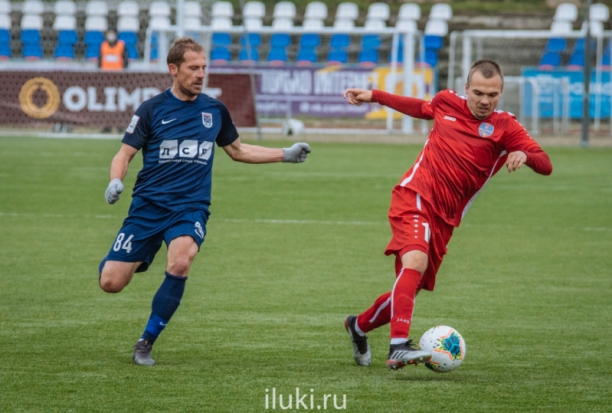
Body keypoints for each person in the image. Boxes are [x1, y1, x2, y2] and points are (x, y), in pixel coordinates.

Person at [99, 37, 311, 366]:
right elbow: (123, 154)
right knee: (110, 283)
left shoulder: (214, 110)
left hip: (190, 208)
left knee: (181, 261)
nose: (201, 74)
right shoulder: (152, 110)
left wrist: (285, 154)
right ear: (173, 69)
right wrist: (116, 180)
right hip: (148, 208)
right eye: (193, 68)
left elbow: (238, 151)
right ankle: (140, 256)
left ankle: (146, 342)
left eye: (204, 68)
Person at [342, 60, 552, 371]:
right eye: (478, 92)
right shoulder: (446, 102)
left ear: (501, 94)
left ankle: (357, 326)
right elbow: (418, 106)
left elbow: (545, 164)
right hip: (414, 196)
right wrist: (374, 95)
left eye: (492, 95)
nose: (484, 100)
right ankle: (398, 345)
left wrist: (524, 154)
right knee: (415, 261)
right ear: (466, 88)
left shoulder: (506, 127)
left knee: (409, 288)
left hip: (445, 219)